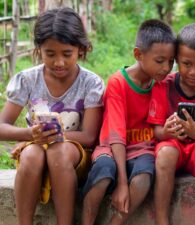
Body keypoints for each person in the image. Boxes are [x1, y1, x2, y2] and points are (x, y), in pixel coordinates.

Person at [0, 7, 104, 225]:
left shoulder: (90, 83)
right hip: (35, 146)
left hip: (74, 152)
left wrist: (57, 137)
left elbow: (89, 136)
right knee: (30, 155)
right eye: (50, 54)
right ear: (39, 50)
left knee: (58, 151)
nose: (59, 62)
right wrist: (30, 133)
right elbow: (2, 126)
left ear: (80, 49)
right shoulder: (28, 80)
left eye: (67, 54)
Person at [81, 19, 176, 225]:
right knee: (103, 174)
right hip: (111, 146)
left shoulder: (161, 83)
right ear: (138, 54)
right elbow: (115, 134)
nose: (166, 68)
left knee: (143, 178)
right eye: (160, 61)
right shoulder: (119, 82)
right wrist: (122, 184)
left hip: (143, 149)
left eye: (171, 61)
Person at [147, 23, 195, 225]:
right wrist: (167, 131)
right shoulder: (164, 85)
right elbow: (157, 131)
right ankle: (162, 220)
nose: (193, 72)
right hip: (174, 144)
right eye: (186, 64)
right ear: (176, 59)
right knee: (165, 154)